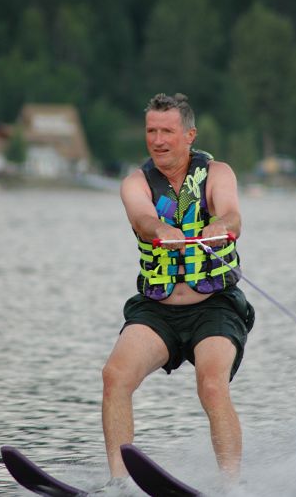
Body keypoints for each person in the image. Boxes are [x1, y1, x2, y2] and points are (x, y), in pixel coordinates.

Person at [100, 93, 254, 493]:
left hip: (215, 307)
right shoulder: (136, 182)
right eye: (151, 130)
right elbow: (141, 217)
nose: (158, 139)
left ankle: (230, 487)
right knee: (115, 376)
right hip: (158, 309)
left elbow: (233, 213)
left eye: (167, 131)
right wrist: (159, 229)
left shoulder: (218, 173)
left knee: (212, 384)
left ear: (189, 135)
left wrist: (220, 224)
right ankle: (119, 483)